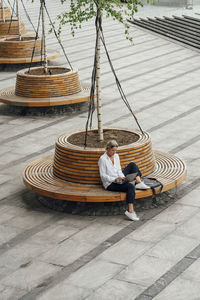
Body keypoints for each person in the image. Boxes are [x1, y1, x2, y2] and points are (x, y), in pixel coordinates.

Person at [98, 140, 150, 221]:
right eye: (112, 150)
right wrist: (115, 179)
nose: (114, 152)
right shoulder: (102, 159)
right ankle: (131, 211)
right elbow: (102, 175)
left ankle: (139, 183)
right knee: (130, 187)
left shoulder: (116, 156)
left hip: (119, 179)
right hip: (110, 183)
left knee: (132, 165)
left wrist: (122, 177)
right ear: (107, 149)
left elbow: (119, 170)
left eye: (115, 150)